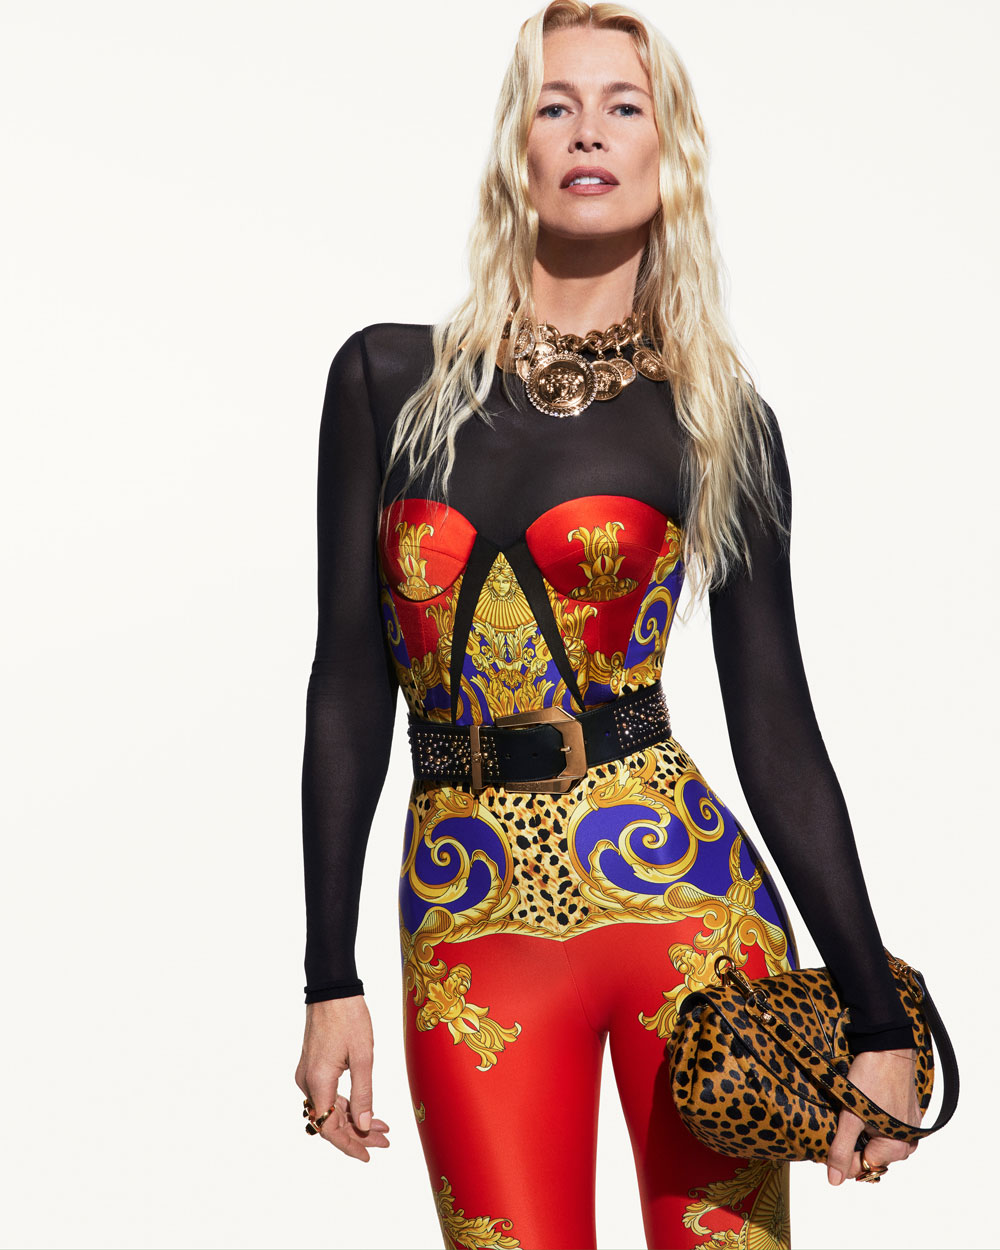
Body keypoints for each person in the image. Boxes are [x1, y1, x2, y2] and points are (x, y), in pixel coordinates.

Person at [294, 3, 922, 1247]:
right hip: (467, 928)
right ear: (514, 148)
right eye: (556, 104)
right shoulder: (385, 379)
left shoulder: (718, 420)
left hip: (692, 926)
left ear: (668, 151)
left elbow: (776, 725)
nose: (588, 130)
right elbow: (347, 687)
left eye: (622, 105)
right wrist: (328, 974)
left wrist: (876, 1016)